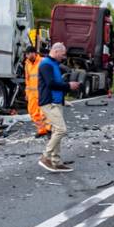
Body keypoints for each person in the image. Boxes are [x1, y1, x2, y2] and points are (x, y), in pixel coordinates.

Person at [38, 42, 79, 172]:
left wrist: (63, 100)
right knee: (61, 129)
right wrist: (69, 86)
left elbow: (56, 83)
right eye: (63, 54)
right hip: (49, 102)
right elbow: (50, 84)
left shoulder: (53, 64)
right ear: (56, 51)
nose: (64, 56)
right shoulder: (46, 64)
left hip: (56, 102)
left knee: (57, 131)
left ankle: (56, 161)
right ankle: (46, 156)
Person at [23, 47, 50, 137]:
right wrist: (27, 93)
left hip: (42, 92)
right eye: (26, 54)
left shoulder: (43, 62)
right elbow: (27, 79)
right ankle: (41, 130)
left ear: (34, 53)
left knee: (44, 113)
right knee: (33, 112)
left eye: (28, 54)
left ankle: (49, 130)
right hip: (32, 93)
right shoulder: (27, 64)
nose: (27, 56)